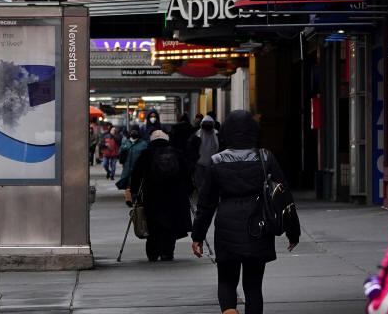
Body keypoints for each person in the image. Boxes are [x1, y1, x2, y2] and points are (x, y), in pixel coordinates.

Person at [192, 110, 300, 314]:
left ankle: (229, 310)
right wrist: (293, 231)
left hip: (227, 225)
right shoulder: (265, 157)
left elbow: (206, 203)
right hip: (259, 224)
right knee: (253, 286)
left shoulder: (217, 160)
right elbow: (284, 197)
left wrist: (198, 236)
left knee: (226, 279)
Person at [128, 129, 192, 261]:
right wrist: (189, 190)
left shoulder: (146, 154)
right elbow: (187, 174)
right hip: (174, 195)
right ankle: (167, 252)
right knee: (171, 224)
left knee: (153, 223)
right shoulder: (177, 153)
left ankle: (153, 252)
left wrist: (134, 192)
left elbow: (136, 175)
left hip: (152, 195)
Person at [187, 113, 220, 192]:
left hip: (213, 164)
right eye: (206, 123)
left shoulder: (217, 134)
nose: (207, 125)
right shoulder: (196, 135)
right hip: (199, 164)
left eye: (209, 123)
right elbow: (191, 149)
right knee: (200, 185)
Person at [118, 124, 148, 189]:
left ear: (138, 132)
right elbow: (120, 153)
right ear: (130, 132)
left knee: (137, 188)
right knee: (128, 189)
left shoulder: (143, 144)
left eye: (135, 131)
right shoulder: (125, 142)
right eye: (132, 131)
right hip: (127, 171)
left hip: (138, 171)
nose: (134, 132)